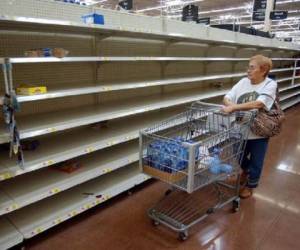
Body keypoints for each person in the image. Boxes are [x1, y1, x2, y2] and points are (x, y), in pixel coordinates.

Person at [222, 55, 277, 199]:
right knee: (239, 156)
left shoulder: (270, 84)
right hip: (240, 129)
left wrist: (233, 108)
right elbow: (227, 96)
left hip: (258, 131)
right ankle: (245, 172)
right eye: (248, 67)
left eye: (252, 67)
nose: (248, 70)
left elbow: (259, 103)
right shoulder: (243, 82)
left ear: (263, 70)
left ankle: (251, 185)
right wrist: (230, 104)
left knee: (256, 160)